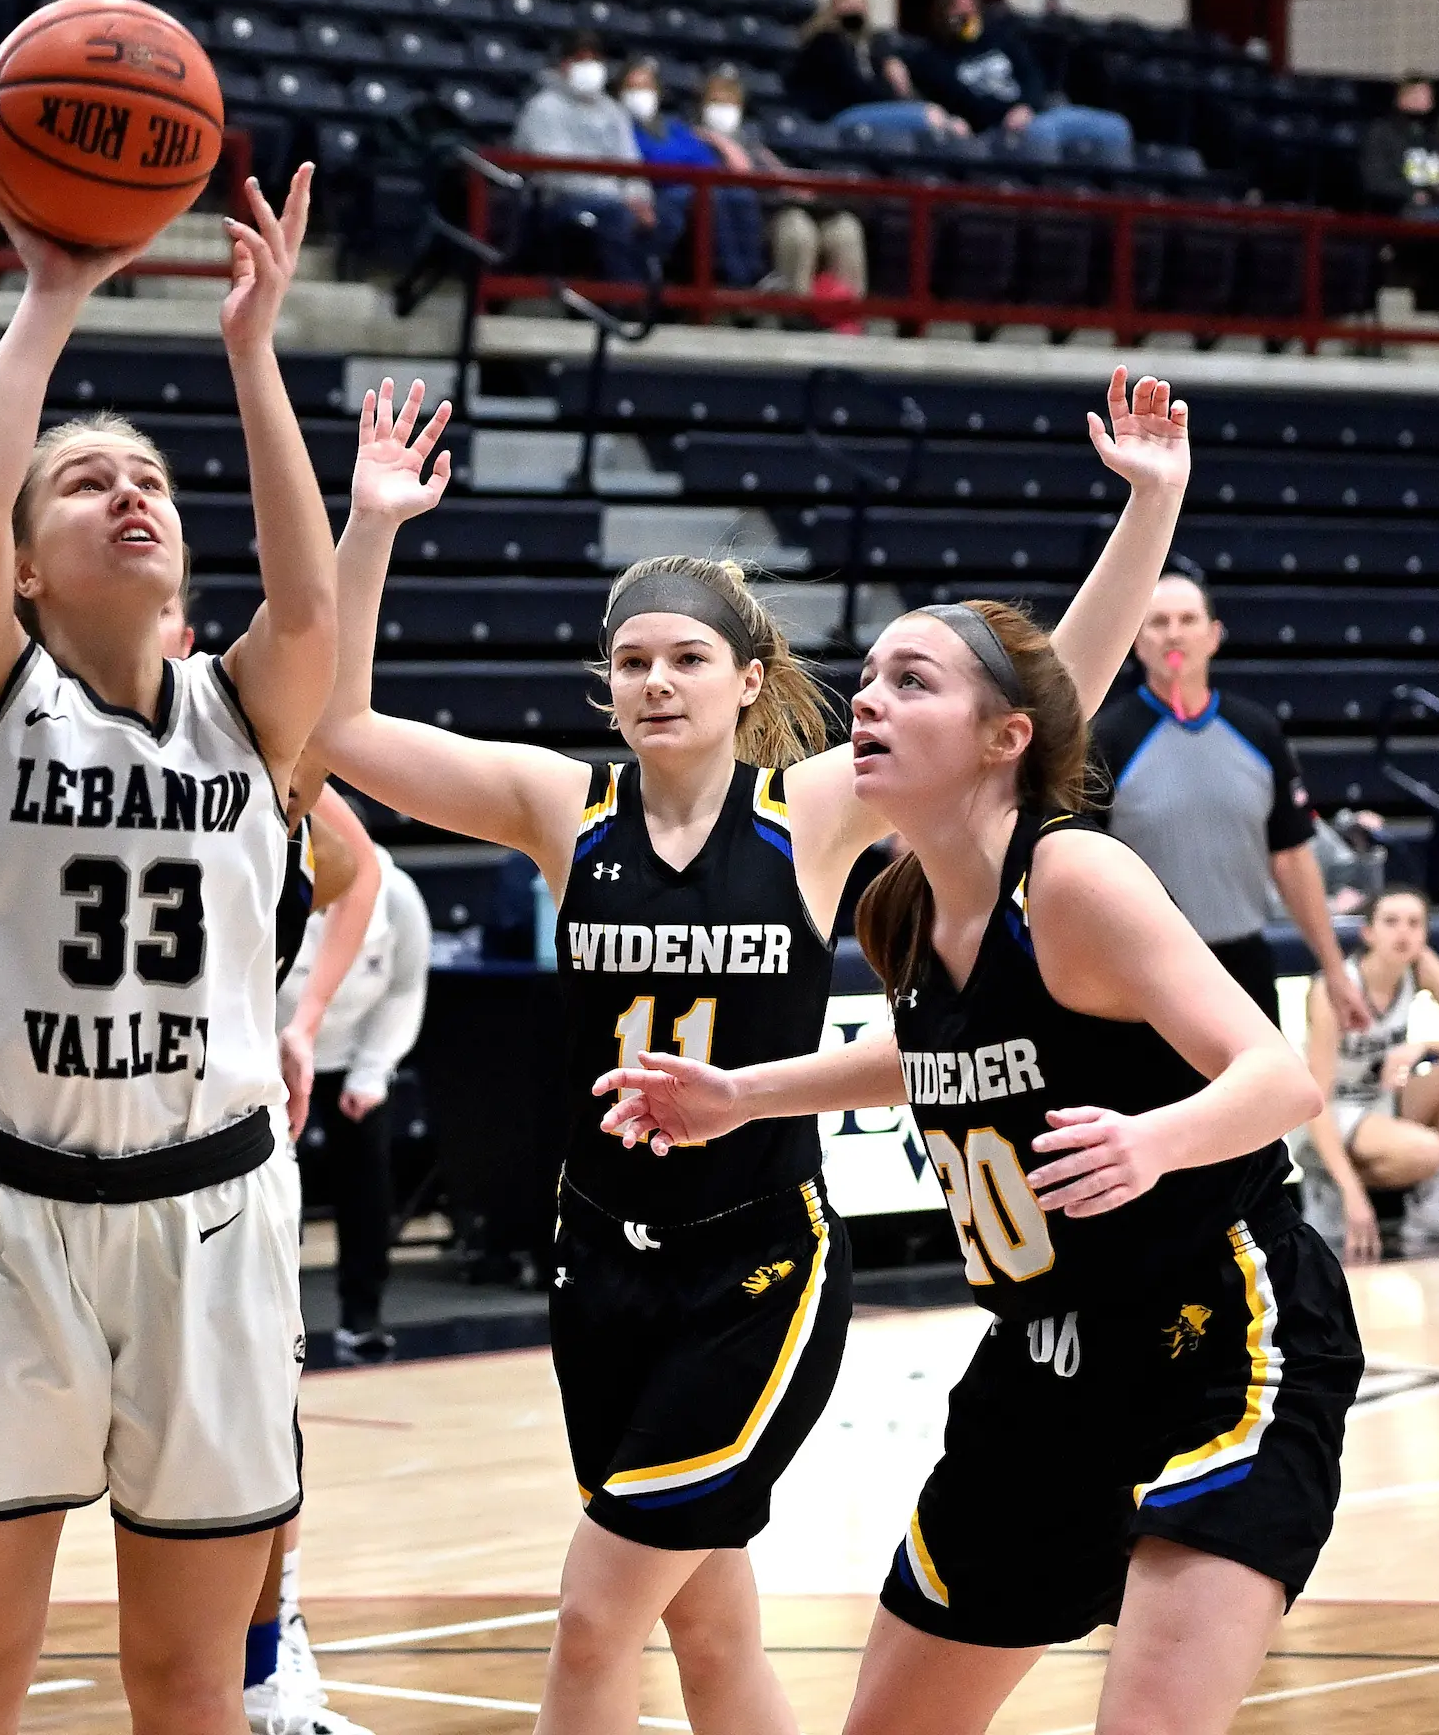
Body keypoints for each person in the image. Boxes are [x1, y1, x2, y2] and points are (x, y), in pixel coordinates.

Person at [316, 367, 1189, 1733]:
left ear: (747, 679)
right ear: (606, 688)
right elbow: (340, 731)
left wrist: (1150, 510)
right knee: (710, 1635)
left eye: (686, 658)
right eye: (632, 661)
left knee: (594, 1614)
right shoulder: (564, 808)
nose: (657, 681)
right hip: (595, 1255)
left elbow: (1053, 692)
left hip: (755, 1264)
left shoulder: (817, 812)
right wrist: (370, 525)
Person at [595, 596, 1364, 1735]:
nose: (867, 699)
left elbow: (1279, 1077)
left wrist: (1154, 1141)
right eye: (867, 677)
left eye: (914, 681)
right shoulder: (899, 908)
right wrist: (744, 1096)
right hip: (1041, 1368)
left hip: (1221, 1332)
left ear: (1007, 737)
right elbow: (928, 1052)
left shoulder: (1073, 880)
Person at [0, 154, 336, 1735]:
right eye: (86, 484)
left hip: (208, 1224)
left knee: (190, 1681)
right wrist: (55, 289)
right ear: (22, 563)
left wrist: (254, 353)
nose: (131, 493)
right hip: (6, 1225)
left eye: (151, 484)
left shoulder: (246, 713)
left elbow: (308, 585)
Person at [0, 571, 383, 1735]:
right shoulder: (22, 733)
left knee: (252, 1437)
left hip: (210, 1149)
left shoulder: (250, 733)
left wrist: (297, 1018)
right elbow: (6, 920)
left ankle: (272, 1633)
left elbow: (360, 867)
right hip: (33, 1165)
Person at [1090, 574, 1375, 1036]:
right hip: (1143, 976)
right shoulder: (1106, 741)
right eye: (1158, 623)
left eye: (1187, 620)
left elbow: (1291, 858)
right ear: (1136, 642)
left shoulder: (1258, 732)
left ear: (1214, 636)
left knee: (1261, 1107)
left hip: (1244, 969)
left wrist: (1335, 970)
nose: (1174, 633)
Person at [279, 825, 429, 1361]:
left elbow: (405, 989)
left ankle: (361, 1317)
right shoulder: (273, 883)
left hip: (354, 1051)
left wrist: (371, 1072)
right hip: (270, 1052)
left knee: (368, 1181)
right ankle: (271, 1318)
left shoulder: (397, 897)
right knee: (273, 1186)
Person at [1294, 885, 1439, 1262]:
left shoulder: (1422, 967)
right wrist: (1356, 1195)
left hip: (1380, 1102)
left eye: (1414, 923)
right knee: (1427, 1149)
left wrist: (1422, 1047)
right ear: (1368, 933)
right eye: (1391, 922)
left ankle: (1429, 1206)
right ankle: (1328, 1184)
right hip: (1331, 1111)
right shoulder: (1333, 988)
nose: (1403, 932)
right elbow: (1315, 1100)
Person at [691, 65, 867, 310]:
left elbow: (781, 175)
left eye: (730, 100)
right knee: (798, 230)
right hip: (757, 219)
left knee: (845, 228)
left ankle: (846, 313)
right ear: (702, 104)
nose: (724, 107)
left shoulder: (753, 142)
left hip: (786, 205)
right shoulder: (694, 140)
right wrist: (721, 143)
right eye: (716, 100)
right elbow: (741, 174)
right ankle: (795, 311)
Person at [908, 0, 1133, 166]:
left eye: (971, 10)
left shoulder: (1000, 39)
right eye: (958, 11)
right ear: (943, 14)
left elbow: (1032, 75)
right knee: (1040, 134)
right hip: (994, 128)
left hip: (1034, 113)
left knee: (1114, 126)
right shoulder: (932, 58)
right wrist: (1009, 114)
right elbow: (963, 102)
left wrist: (1025, 106)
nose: (967, 17)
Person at [509, 31, 657, 284]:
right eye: (580, 60)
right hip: (556, 201)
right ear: (563, 64)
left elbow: (631, 163)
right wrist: (619, 197)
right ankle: (624, 299)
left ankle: (667, 298)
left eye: (595, 60)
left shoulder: (613, 111)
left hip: (613, 199)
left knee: (668, 212)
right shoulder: (543, 108)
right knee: (616, 213)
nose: (589, 68)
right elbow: (555, 174)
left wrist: (638, 197)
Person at [619, 56, 764, 290]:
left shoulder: (673, 126)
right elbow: (654, 161)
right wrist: (682, 163)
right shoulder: (622, 125)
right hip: (660, 194)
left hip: (689, 187)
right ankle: (735, 282)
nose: (640, 94)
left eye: (646, 87)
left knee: (740, 196)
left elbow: (704, 161)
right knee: (712, 198)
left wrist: (678, 162)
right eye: (633, 87)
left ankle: (754, 277)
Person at [787, 0, 958, 137]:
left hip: (858, 110)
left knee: (946, 119)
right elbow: (854, 89)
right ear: (833, 7)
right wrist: (899, 101)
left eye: (861, 3)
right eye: (847, 2)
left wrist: (892, 69)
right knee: (931, 116)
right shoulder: (826, 41)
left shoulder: (867, 46)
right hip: (833, 116)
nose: (855, 8)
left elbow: (875, 86)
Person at [1358, 76, 1439, 214]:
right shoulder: (1381, 132)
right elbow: (1374, 181)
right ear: (1400, 98)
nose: (1422, 99)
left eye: (1426, 95)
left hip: (1438, 205)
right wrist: (1411, 194)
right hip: (1399, 208)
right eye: (1415, 94)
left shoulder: (1433, 134)